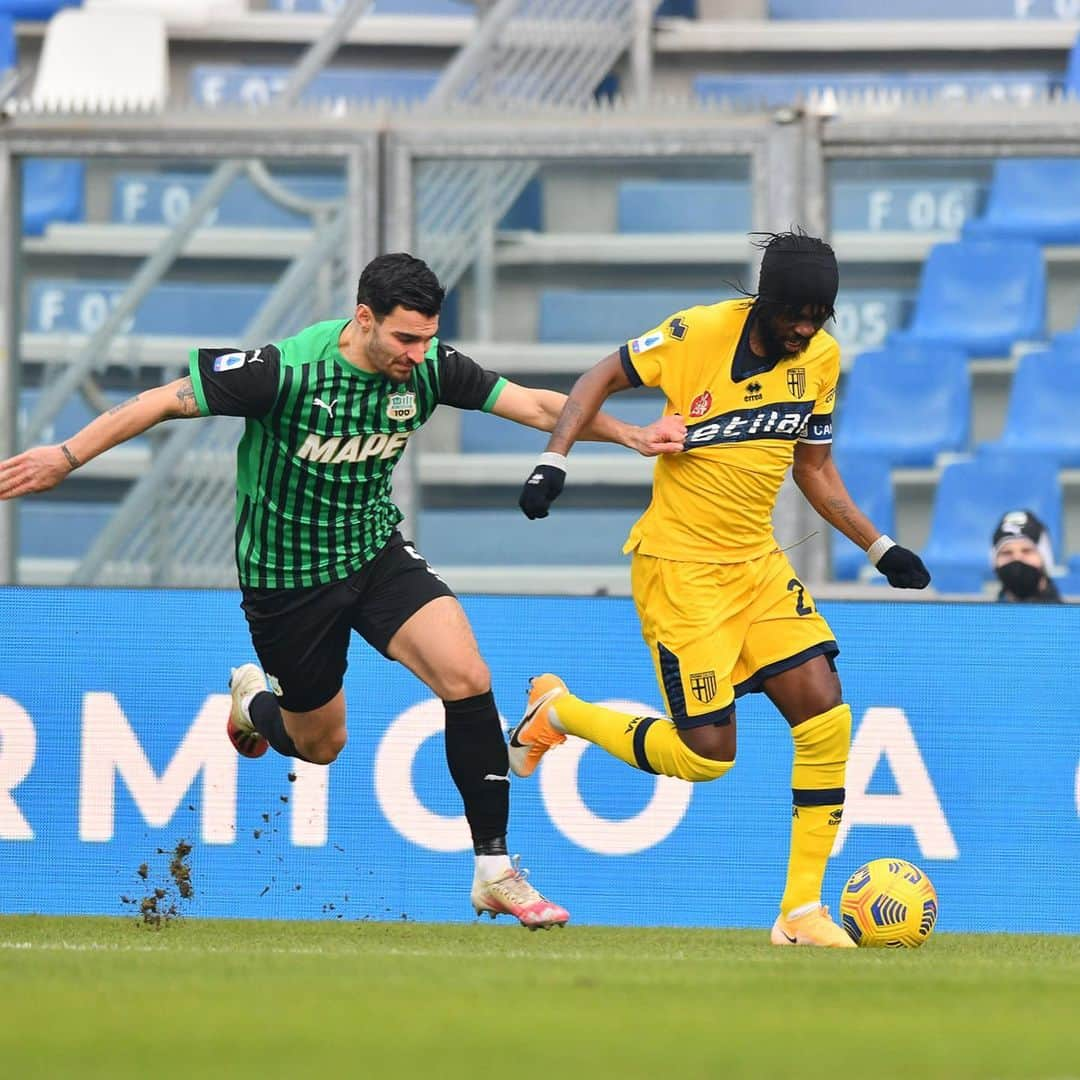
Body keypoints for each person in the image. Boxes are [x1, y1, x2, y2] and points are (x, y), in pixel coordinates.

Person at [0, 251, 684, 929]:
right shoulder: (285, 372)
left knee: (467, 675)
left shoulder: (429, 367)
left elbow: (536, 404)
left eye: (428, 336)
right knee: (321, 744)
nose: (419, 354)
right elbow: (162, 401)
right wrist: (64, 457)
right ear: (364, 318)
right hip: (287, 582)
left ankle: (494, 871)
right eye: (405, 338)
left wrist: (630, 433)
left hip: (373, 553)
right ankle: (251, 704)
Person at [513, 231, 931, 946]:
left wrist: (879, 545)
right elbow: (596, 379)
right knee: (704, 756)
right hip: (682, 571)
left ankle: (800, 912)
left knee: (827, 716)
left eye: (820, 314)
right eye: (796, 312)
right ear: (765, 301)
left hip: (758, 567)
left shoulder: (821, 360)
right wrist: (555, 460)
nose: (807, 327)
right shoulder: (697, 332)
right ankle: (559, 713)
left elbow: (814, 468)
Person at [991, 509, 1062, 603]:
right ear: (995, 562)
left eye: (1026, 551)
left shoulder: (1070, 616)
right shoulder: (985, 616)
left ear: (1045, 559)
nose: (1017, 558)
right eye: (1007, 552)